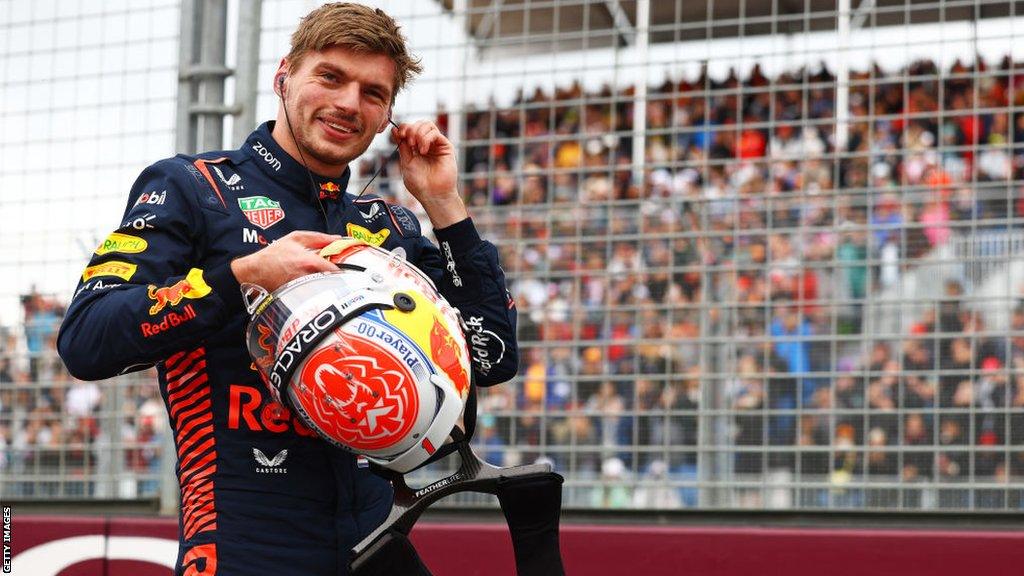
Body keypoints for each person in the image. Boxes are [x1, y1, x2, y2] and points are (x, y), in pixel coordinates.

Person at [57, 3, 518, 575]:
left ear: (386, 117)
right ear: (284, 77)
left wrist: (445, 207)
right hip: (246, 543)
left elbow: (491, 358)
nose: (349, 102)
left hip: (378, 539)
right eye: (330, 76)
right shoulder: (194, 189)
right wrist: (243, 276)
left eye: (373, 93)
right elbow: (85, 340)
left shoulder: (389, 225)